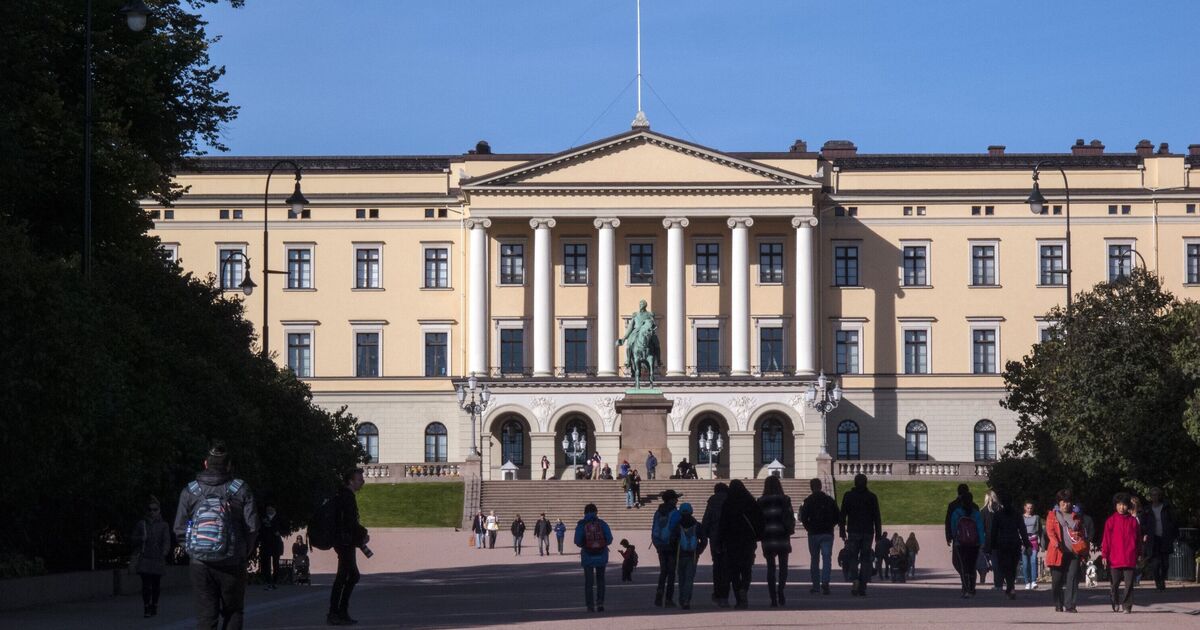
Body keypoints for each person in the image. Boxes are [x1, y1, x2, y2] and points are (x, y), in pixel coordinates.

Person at [173, 443, 258, 630]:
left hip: (200, 564)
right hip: (232, 562)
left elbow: (179, 528)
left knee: (206, 617)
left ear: (205, 463)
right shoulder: (241, 489)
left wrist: (194, 551)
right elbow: (252, 527)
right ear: (229, 466)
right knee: (233, 612)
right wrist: (243, 551)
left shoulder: (191, 490)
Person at [329, 468, 369, 625]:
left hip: (344, 541)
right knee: (348, 576)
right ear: (351, 481)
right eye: (359, 479)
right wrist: (363, 534)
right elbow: (350, 522)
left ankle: (339, 611)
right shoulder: (347, 497)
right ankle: (336, 612)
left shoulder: (343, 495)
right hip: (345, 542)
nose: (362, 482)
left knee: (348, 575)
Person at [719, 479, 763, 609]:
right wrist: (758, 536)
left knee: (734, 571)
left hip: (731, 542)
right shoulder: (750, 502)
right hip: (748, 541)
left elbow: (723, 524)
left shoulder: (728, 503)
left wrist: (720, 541)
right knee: (746, 569)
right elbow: (759, 520)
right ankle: (744, 589)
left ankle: (739, 597)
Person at [839, 474, 881, 597]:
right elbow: (877, 517)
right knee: (866, 559)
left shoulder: (848, 496)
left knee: (853, 557)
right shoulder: (872, 497)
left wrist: (842, 530)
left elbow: (842, 515)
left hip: (853, 531)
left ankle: (855, 580)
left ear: (855, 483)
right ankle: (863, 585)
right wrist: (878, 534)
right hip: (868, 531)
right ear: (866, 483)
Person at [131, 496, 172, 618]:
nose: (152, 512)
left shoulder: (164, 525)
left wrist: (165, 551)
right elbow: (132, 539)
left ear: (159, 510)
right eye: (150, 509)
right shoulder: (141, 524)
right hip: (144, 557)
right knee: (145, 585)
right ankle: (146, 607)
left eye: (155, 509)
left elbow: (166, 540)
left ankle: (154, 604)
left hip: (157, 558)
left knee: (156, 584)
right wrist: (140, 539)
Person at [758, 475, 795, 607]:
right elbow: (790, 517)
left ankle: (773, 597)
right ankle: (781, 591)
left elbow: (759, 520)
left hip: (768, 537)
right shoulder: (785, 499)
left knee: (771, 568)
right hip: (782, 535)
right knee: (783, 566)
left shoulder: (761, 501)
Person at [1102, 492, 1141, 613]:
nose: (1121, 507)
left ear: (1128, 506)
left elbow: (1138, 539)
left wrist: (1139, 553)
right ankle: (1114, 600)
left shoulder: (1133, 521)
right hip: (1115, 558)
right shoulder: (1111, 521)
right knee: (1115, 584)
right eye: (1119, 504)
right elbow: (1106, 540)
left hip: (1130, 557)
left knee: (1129, 584)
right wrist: (1104, 555)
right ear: (1115, 505)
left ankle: (1127, 606)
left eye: (1124, 505)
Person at [1047, 489, 1084, 613]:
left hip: (1074, 552)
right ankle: (1058, 602)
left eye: (1068, 502)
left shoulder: (1076, 516)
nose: (1066, 504)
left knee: (1072, 578)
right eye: (1063, 502)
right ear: (1059, 503)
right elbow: (1050, 531)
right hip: (1058, 552)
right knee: (1056, 581)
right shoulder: (1052, 515)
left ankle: (1070, 605)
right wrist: (1055, 543)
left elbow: (1081, 533)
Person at [987, 493, 1030, 599]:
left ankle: (1010, 586)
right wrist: (1026, 543)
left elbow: (994, 531)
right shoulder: (1016, 514)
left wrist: (991, 545)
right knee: (1012, 566)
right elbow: (1022, 530)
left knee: (1006, 566)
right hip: (1014, 542)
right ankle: (1011, 586)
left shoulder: (999, 514)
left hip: (1003, 543)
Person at [800, 477, 839, 595]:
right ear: (821, 486)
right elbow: (838, 516)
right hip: (827, 532)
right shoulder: (829, 500)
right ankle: (825, 582)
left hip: (813, 533)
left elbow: (803, 517)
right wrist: (831, 525)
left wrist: (808, 528)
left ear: (811, 487)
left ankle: (816, 586)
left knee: (814, 560)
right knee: (827, 559)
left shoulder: (808, 500)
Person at [574, 503, 614, 613]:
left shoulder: (582, 524)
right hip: (601, 554)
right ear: (596, 512)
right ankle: (600, 603)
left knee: (589, 582)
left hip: (587, 555)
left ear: (585, 513)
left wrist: (584, 544)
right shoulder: (602, 523)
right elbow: (610, 539)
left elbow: (577, 541)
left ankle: (590, 605)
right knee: (601, 580)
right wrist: (602, 543)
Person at [950, 490, 985, 598]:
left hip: (961, 543)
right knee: (972, 566)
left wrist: (955, 539)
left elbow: (954, 528)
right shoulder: (976, 513)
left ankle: (966, 589)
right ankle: (972, 588)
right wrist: (982, 542)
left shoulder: (957, 513)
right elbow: (980, 528)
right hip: (974, 543)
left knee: (963, 566)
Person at [672, 502, 707, 610]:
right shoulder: (697, 525)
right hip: (692, 555)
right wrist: (699, 550)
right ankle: (686, 600)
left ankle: (682, 599)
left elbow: (672, 540)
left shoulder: (677, 526)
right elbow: (704, 541)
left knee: (681, 579)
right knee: (689, 579)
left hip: (680, 555)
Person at [701, 483, 731, 607]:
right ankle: (725, 595)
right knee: (727, 566)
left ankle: (718, 593)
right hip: (729, 537)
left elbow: (707, 519)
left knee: (717, 565)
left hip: (715, 537)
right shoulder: (731, 500)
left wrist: (704, 535)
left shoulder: (712, 501)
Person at [651, 489, 682, 607]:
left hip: (660, 544)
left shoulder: (658, 512)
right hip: (672, 545)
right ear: (671, 500)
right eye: (675, 498)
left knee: (663, 571)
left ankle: (659, 594)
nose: (677, 500)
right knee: (671, 572)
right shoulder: (675, 513)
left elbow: (654, 527)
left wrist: (656, 542)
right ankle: (669, 599)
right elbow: (677, 529)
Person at [1145, 487, 1178, 591]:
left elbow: (1173, 521)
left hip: (1165, 538)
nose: (1155, 497)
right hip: (1153, 539)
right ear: (1150, 497)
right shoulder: (1148, 509)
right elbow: (1143, 523)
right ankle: (1157, 580)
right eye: (1153, 495)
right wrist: (1144, 533)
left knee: (1165, 563)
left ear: (1159, 496)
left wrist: (1174, 534)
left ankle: (1162, 579)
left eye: (1157, 495)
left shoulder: (1166, 507)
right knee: (1155, 563)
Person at [944, 483, 970, 575]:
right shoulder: (974, 506)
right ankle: (967, 576)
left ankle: (965, 577)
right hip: (971, 537)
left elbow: (948, 522)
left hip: (958, 537)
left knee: (956, 560)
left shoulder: (952, 505)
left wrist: (948, 536)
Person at [259, 505, 286, 591]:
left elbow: (284, 528)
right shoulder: (263, 518)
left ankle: (275, 581)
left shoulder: (278, 517)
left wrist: (279, 532)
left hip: (276, 544)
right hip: (266, 544)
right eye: (267, 509)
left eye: (271, 508)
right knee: (266, 563)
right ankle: (268, 581)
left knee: (276, 563)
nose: (269, 510)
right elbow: (260, 529)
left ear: (274, 509)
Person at [1019, 500, 1042, 589]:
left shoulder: (1036, 517)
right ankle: (1027, 582)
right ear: (1025, 508)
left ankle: (1033, 581)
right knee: (1025, 563)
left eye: (1031, 508)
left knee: (1033, 561)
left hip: (1034, 541)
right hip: (1024, 542)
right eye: (1028, 508)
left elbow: (1040, 531)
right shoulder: (1021, 518)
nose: (1029, 509)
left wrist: (1042, 544)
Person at [981, 490, 1001, 589]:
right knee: (1000, 561)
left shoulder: (984, 511)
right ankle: (1000, 581)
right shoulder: (1000, 509)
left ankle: (997, 583)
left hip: (990, 540)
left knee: (995, 562)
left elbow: (982, 528)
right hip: (1001, 538)